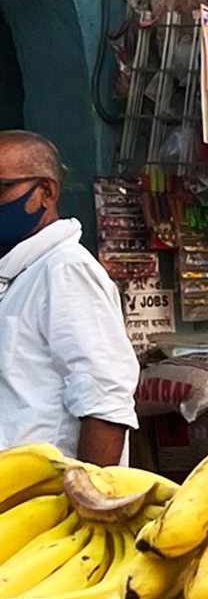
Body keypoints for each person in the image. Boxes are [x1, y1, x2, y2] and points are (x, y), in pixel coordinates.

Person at [0, 131, 137, 464]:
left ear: (46, 192)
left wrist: (90, 505)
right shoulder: (20, 274)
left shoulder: (66, 269)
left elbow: (104, 402)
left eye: (1, 188)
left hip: (50, 496)